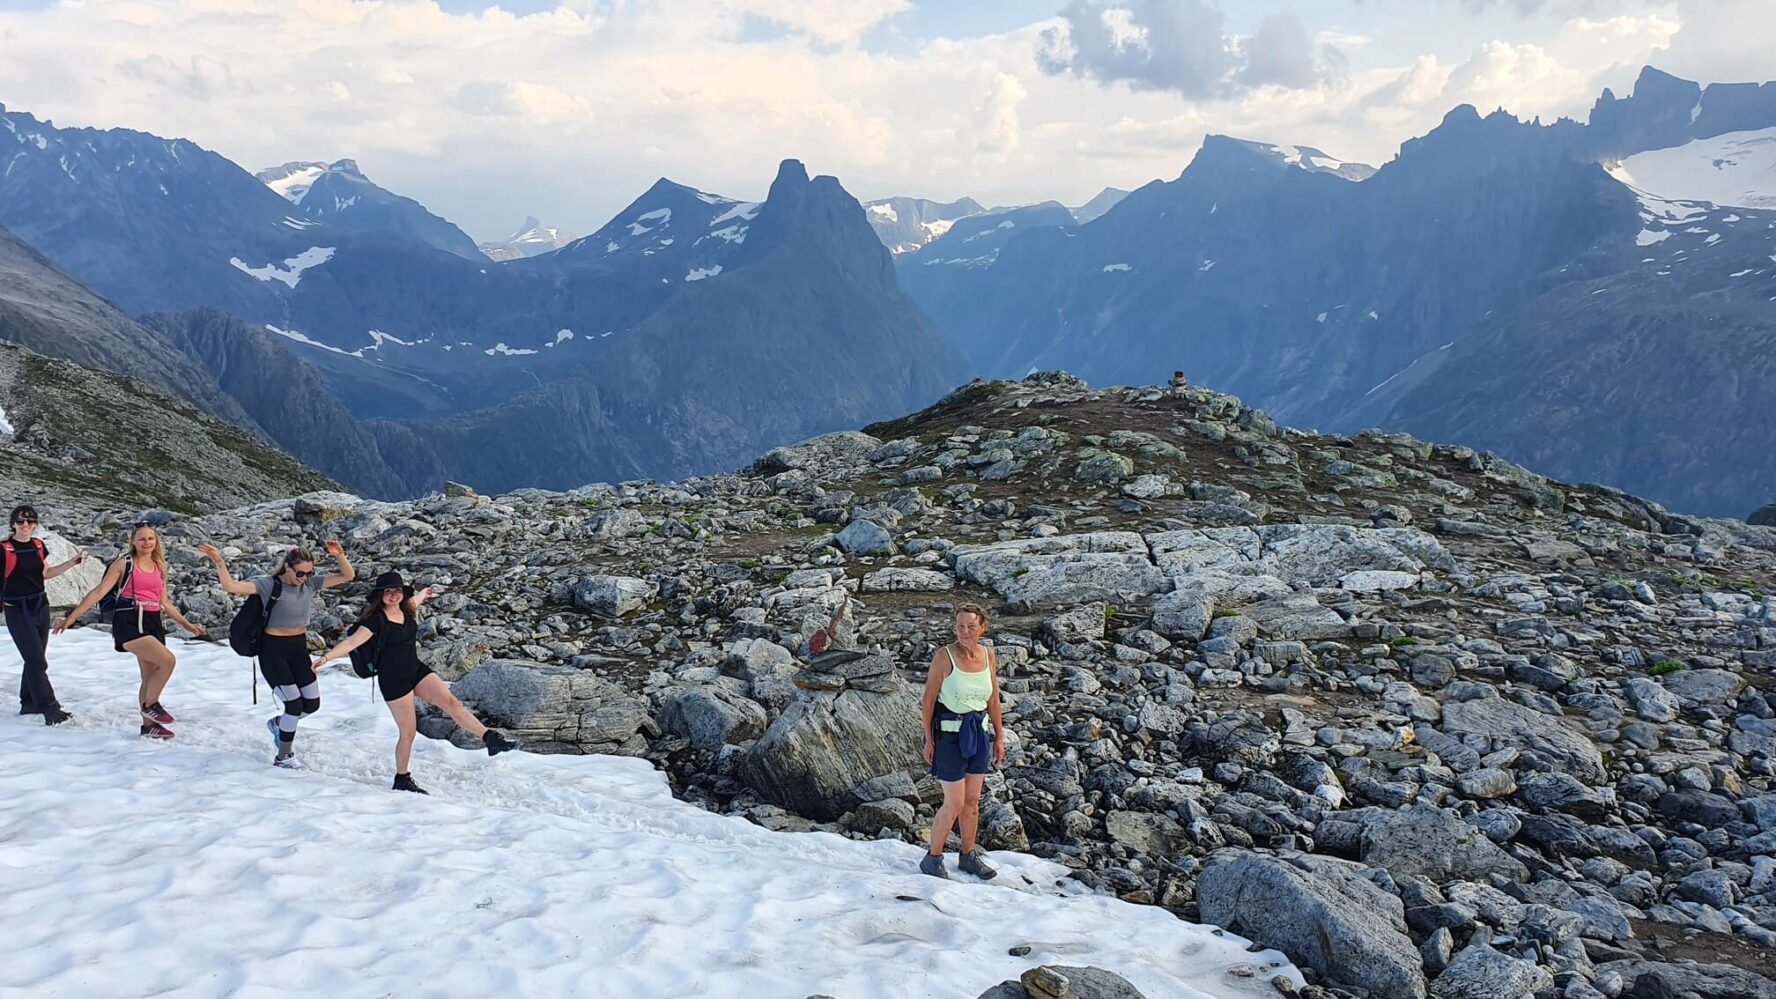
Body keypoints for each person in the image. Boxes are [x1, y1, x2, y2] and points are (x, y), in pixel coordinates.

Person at [311, 570, 519, 794]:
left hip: (415, 670)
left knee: (452, 703)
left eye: (397, 590)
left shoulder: (407, 609)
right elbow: (351, 643)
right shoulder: (375, 620)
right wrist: (326, 657)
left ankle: (491, 739)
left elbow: (414, 601)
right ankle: (402, 778)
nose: (393, 595)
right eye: (388, 591)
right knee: (408, 732)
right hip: (393, 680)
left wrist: (423, 593)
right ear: (380, 595)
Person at [196, 539, 354, 766]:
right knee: (294, 705)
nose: (304, 578)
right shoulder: (269, 585)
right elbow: (232, 587)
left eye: (309, 573)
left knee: (312, 704)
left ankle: (279, 724)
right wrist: (219, 562)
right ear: (287, 567)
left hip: (299, 648)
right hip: (273, 650)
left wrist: (339, 555)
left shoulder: (309, 584)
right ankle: (284, 756)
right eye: (300, 573)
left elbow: (348, 576)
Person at [55, 524, 206, 739]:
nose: (147, 543)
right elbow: (98, 592)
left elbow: (164, 602)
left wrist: (186, 625)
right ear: (133, 542)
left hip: (153, 619)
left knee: (149, 675)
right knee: (168, 661)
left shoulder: (160, 566)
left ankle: (148, 726)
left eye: (151, 539)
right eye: (142, 539)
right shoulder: (123, 563)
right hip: (130, 619)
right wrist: (71, 618)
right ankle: (151, 705)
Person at [918, 602, 1006, 880]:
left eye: (970, 626)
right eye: (960, 626)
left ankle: (968, 855)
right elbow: (929, 700)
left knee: (972, 801)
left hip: (978, 733)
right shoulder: (944, 657)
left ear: (982, 627)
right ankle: (932, 859)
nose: (965, 632)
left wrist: (999, 735)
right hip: (949, 736)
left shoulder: (988, 655)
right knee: (953, 802)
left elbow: (993, 698)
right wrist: (928, 740)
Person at [2, 504, 88, 725]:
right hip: (16, 609)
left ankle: (28, 702)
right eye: (20, 521)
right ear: (12, 524)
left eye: (30, 521)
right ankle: (49, 707)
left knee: (34, 658)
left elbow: (46, 573)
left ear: (35, 525)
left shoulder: (38, 546)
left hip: (41, 605)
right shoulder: (4, 549)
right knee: (37, 660)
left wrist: (72, 562)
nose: (25, 525)